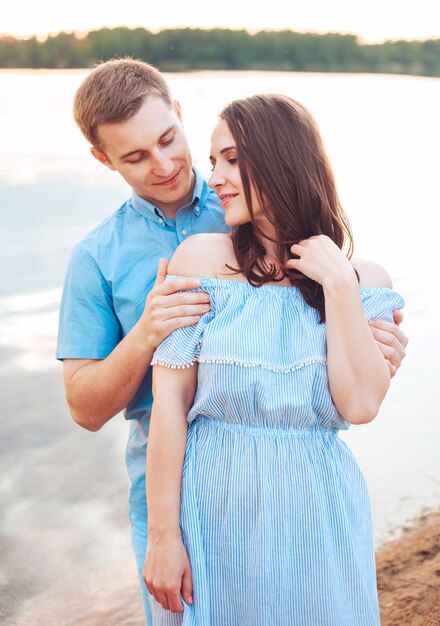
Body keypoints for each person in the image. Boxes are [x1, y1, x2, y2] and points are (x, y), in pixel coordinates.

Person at [56, 59, 407, 626]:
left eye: (170, 140)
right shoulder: (108, 256)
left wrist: (351, 304)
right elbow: (88, 406)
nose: (170, 165)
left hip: (312, 502)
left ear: (178, 114)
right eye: (136, 156)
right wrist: (147, 332)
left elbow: (360, 401)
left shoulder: (332, 266)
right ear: (104, 160)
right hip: (184, 486)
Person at [143, 94, 405, 625]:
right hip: (213, 512)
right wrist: (163, 536)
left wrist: (338, 285)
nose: (213, 176)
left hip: (319, 517)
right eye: (214, 160)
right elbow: (169, 402)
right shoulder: (200, 261)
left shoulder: (363, 280)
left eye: (232, 159)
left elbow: (359, 405)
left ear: (283, 157)